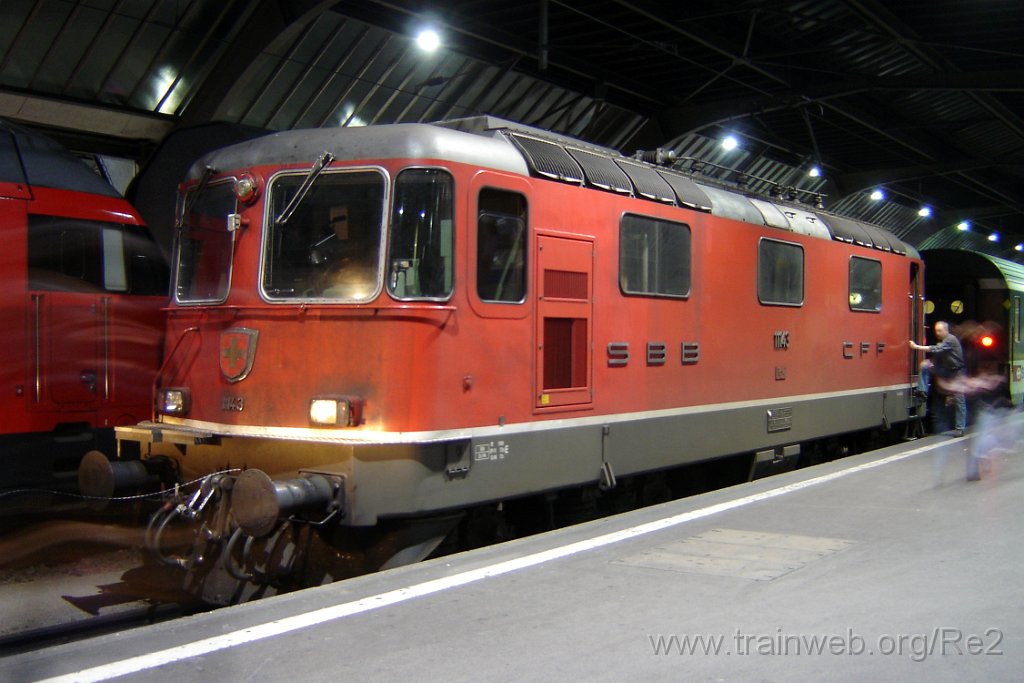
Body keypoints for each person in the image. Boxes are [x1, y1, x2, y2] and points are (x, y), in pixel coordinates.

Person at [909, 321, 966, 436]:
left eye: (940, 331)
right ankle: (922, 391)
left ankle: (960, 428)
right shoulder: (944, 341)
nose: (937, 333)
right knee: (925, 366)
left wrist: (916, 347)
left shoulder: (950, 339)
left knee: (959, 400)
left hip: (956, 372)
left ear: (946, 330)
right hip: (946, 370)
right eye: (936, 331)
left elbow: (936, 349)